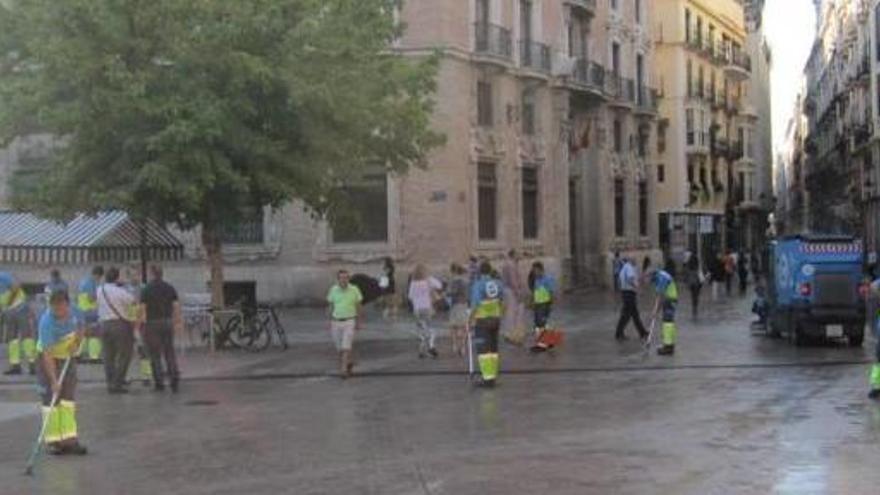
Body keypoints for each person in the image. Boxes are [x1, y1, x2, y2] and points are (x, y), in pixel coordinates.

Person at [35, 290, 88, 455]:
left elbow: (81, 328)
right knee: (51, 397)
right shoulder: (46, 322)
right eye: (54, 308)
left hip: (67, 357)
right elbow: (47, 354)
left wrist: (77, 343)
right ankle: (53, 440)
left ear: (67, 304)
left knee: (67, 400)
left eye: (61, 308)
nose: (58, 312)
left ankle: (69, 439)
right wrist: (53, 380)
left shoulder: (76, 312)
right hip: (47, 359)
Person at [140, 265, 182, 393]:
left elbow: (143, 309)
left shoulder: (146, 289)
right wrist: (177, 322)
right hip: (167, 322)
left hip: (152, 323)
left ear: (152, 274)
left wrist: (141, 324)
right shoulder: (170, 288)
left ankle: (159, 382)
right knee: (169, 351)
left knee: (155, 354)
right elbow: (176, 306)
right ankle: (174, 378)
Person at [97, 267, 137, 394]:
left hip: (104, 324)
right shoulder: (120, 291)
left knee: (108, 355)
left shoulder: (100, 289)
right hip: (119, 324)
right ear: (117, 278)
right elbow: (133, 301)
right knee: (124, 354)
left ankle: (110, 382)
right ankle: (118, 382)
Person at [469, 261, 504, 387]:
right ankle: (493, 376)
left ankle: (487, 379)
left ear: (480, 272)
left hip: (482, 320)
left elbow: (475, 305)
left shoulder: (478, 285)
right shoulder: (498, 283)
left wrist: (469, 320)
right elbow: (501, 300)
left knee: (483, 351)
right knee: (493, 349)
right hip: (495, 319)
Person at [327, 270, 363, 378]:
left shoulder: (354, 290)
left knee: (346, 346)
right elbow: (331, 306)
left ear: (348, 279)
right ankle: (349, 362)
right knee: (339, 348)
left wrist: (358, 321)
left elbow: (358, 306)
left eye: (346, 278)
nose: (344, 280)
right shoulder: (333, 290)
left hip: (349, 321)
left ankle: (343, 370)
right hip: (336, 321)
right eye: (341, 278)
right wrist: (329, 320)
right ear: (338, 279)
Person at [1, 272, 37, 375]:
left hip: (21, 308)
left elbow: (16, 286)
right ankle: (15, 365)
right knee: (12, 340)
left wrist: (9, 301)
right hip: (8, 312)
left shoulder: (3, 275)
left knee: (27, 337)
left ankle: (32, 364)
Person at [408, 264, 443, 358]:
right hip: (426, 308)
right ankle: (431, 346)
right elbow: (439, 285)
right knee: (431, 329)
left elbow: (410, 296)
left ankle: (421, 350)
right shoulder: (428, 280)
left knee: (422, 330)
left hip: (417, 309)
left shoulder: (413, 283)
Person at [615, 257, 648, 341]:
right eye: (635, 260)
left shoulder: (624, 268)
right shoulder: (629, 267)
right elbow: (630, 279)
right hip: (629, 294)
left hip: (625, 293)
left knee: (632, 315)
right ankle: (619, 333)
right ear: (631, 260)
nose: (636, 262)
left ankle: (642, 332)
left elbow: (619, 280)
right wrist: (637, 289)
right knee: (629, 315)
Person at [648, 268, 680, 356]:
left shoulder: (661, 278)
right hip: (671, 300)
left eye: (652, 281)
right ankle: (670, 345)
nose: (652, 283)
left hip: (669, 300)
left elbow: (660, 296)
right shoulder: (662, 274)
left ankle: (668, 347)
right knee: (669, 323)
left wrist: (655, 311)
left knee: (667, 324)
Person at [77, 266, 104, 364]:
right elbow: (91, 298)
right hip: (90, 312)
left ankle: (77, 354)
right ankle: (94, 356)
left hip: (82, 311)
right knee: (94, 335)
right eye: (99, 278)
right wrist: (100, 296)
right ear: (97, 275)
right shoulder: (91, 283)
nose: (99, 280)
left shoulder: (83, 282)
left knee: (83, 334)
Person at [528, 262, 557, 353]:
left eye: (535, 271)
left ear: (541, 270)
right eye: (533, 271)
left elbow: (552, 292)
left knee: (541, 323)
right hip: (538, 304)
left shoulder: (548, 279)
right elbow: (535, 292)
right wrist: (532, 302)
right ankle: (549, 342)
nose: (534, 273)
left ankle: (542, 345)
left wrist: (551, 304)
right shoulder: (536, 280)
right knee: (539, 323)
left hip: (545, 304)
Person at [501, 249, 527, 346]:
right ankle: (511, 334)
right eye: (517, 254)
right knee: (512, 313)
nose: (519, 256)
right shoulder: (511, 265)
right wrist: (518, 293)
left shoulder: (510, 264)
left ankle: (509, 333)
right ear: (513, 255)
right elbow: (513, 281)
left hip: (509, 291)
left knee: (510, 312)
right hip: (511, 292)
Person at [447, 264, 470, 357]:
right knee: (464, 326)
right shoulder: (466, 281)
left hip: (455, 305)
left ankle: (455, 345)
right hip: (464, 304)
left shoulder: (454, 281)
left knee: (453, 326)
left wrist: (447, 293)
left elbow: (452, 292)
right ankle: (463, 346)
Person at [684, 255, 703, 319]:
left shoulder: (688, 268)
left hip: (691, 284)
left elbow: (686, 277)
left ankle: (694, 307)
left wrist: (686, 283)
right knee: (696, 296)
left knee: (693, 296)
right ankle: (695, 307)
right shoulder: (697, 268)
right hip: (697, 284)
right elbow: (701, 277)